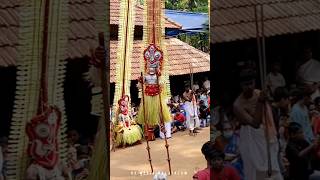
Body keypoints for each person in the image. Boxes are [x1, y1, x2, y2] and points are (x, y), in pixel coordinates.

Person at [233, 69, 283, 180]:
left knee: (273, 170)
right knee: (255, 172)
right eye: (246, 84)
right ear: (241, 85)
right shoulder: (238, 105)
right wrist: (260, 101)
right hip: (250, 139)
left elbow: (270, 115)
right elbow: (255, 123)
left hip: (267, 136)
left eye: (251, 83)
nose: (249, 87)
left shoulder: (259, 93)